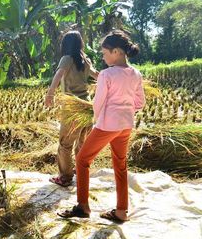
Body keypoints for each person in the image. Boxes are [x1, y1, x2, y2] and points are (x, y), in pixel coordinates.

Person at [58, 30, 145, 223]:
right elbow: (140, 103)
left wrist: (97, 118)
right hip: (126, 125)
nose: (103, 57)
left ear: (116, 52)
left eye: (105, 53)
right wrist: (126, 109)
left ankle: (82, 206)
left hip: (107, 125)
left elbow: (98, 103)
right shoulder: (136, 74)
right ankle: (121, 211)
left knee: (82, 160)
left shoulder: (107, 74)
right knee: (120, 165)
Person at [45, 30, 99, 187]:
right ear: (80, 43)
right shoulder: (85, 60)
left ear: (65, 44)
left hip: (72, 107)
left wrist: (49, 94)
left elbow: (58, 75)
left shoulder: (67, 59)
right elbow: (97, 75)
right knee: (82, 142)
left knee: (65, 143)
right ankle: (79, 170)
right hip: (87, 106)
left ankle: (65, 177)